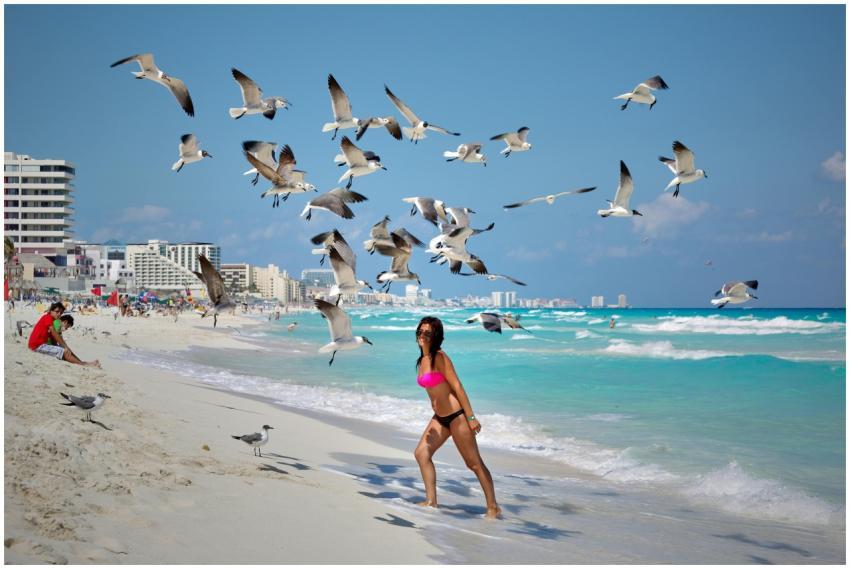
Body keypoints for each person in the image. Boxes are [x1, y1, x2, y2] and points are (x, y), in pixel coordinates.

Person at [412, 316, 501, 519]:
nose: (422, 336)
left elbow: (458, 386)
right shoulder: (422, 361)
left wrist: (471, 417)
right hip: (439, 418)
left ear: (436, 337)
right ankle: (431, 501)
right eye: (420, 331)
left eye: (427, 333)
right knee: (421, 454)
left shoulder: (440, 358)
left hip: (456, 416)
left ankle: (493, 507)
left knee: (474, 464)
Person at [28, 302, 100, 367]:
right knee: (64, 351)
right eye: (57, 312)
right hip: (36, 345)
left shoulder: (52, 320)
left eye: (61, 313)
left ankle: (82, 362)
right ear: (51, 311)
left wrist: (62, 347)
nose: (59, 314)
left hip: (39, 345)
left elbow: (53, 338)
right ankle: (83, 364)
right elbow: (55, 334)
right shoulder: (48, 317)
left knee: (64, 350)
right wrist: (65, 347)